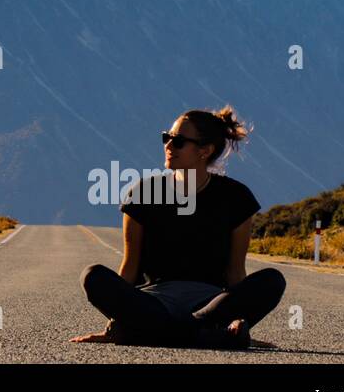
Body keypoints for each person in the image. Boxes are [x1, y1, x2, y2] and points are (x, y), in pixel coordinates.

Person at [70, 106, 286, 350]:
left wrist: (237, 315)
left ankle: (146, 334)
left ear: (205, 151)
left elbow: (235, 273)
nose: (168, 146)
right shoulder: (143, 193)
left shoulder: (236, 197)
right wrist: (113, 321)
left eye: (179, 141)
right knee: (93, 276)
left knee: (272, 281)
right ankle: (213, 336)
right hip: (153, 303)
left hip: (211, 304)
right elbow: (130, 267)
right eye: (167, 137)